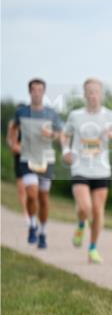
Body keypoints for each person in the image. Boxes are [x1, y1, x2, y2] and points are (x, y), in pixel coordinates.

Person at [61, 78, 112, 264]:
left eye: (96, 92)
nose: (93, 95)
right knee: (85, 207)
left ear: (101, 94)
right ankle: (81, 224)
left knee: (98, 211)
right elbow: (64, 135)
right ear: (84, 95)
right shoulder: (75, 115)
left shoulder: (110, 116)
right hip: (80, 167)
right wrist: (66, 151)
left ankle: (92, 248)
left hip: (101, 170)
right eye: (89, 92)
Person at [8, 80, 63, 249]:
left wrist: (51, 134)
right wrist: (13, 144)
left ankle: (43, 233)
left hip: (46, 160)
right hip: (27, 158)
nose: (37, 93)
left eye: (40, 90)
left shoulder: (51, 113)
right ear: (30, 92)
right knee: (31, 194)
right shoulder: (22, 112)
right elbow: (13, 128)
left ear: (44, 92)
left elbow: (61, 134)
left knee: (44, 198)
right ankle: (32, 225)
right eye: (34, 90)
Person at [6, 109, 32, 233]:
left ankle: (32, 212)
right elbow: (12, 146)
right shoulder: (13, 126)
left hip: (32, 161)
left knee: (32, 189)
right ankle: (25, 214)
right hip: (19, 160)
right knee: (22, 189)